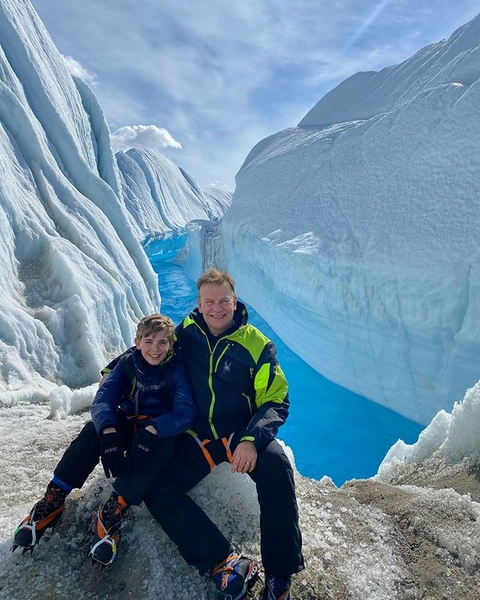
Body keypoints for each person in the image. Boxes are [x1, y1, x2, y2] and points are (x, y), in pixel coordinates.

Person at [143, 269, 304, 600]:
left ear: (235, 300)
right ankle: (222, 561)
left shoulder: (257, 346)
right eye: (209, 302)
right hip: (198, 437)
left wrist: (251, 439)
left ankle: (279, 575)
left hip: (237, 436)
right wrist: (110, 373)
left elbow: (276, 399)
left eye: (223, 300)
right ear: (199, 305)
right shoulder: (185, 334)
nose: (217, 308)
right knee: (158, 490)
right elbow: (150, 354)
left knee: (278, 467)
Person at [12, 314, 196, 566]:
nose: (156, 349)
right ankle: (54, 497)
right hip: (128, 421)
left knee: (161, 447)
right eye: (149, 341)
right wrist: (108, 432)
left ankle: (114, 508)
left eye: (163, 342)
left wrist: (154, 430)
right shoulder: (127, 363)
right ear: (137, 341)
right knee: (92, 432)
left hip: (156, 431)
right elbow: (103, 399)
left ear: (171, 345)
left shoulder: (176, 369)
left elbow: (185, 412)